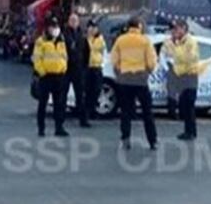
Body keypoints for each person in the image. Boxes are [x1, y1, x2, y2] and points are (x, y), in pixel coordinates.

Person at [110, 16, 158, 150]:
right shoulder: (145, 41)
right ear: (139, 26)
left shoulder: (121, 40)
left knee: (126, 111)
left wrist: (119, 71)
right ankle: (152, 140)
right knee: (147, 112)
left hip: (125, 79)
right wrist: (148, 71)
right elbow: (152, 61)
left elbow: (114, 59)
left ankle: (125, 138)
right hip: (140, 79)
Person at [162, 19, 200, 140]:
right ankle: (188, 131)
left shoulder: (190, 42)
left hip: (189, 76)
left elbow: (192, 57)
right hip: (182, 76)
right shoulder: (180, 42)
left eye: (178, 28)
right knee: (184, 105)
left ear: (184, 29)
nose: (176, 31)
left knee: (188, 105)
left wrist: (176, 59)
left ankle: (191, 132)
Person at [32, 16, 69, 137]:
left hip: (58, 76)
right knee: (43, 103)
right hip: (46, 76)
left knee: (59, 104)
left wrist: (63, 68)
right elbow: (36, 59)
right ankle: (41, 128)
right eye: (52, 27)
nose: (55, 29)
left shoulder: (61, 40)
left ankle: (59, 128)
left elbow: (64, 56)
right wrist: (42, 72)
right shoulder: (41, 41)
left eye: (56, 26)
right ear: (47, 28)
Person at [62, 12, 90, 128]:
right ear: (68, 22)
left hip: (78, 69)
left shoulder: (82, 36)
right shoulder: (64, 35)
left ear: (78, 22)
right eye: (71, 20)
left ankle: (83, 120)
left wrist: (84, 67)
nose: (73, 22)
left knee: (80, 96)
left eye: (75, 20)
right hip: (66, 69)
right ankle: (60, 120)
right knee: (62, 95)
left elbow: (87, 52)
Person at [84, 19, 106, 121]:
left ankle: (92, 109)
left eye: (94, 28)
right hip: (87, 68)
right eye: (91, 28)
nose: (93, 30)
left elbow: (103, 52)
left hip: (97, 67)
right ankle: (87, 112)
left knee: (97, 90)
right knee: (88, 91)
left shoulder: (100, 39)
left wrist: (102, 63)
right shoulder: (85, 39)